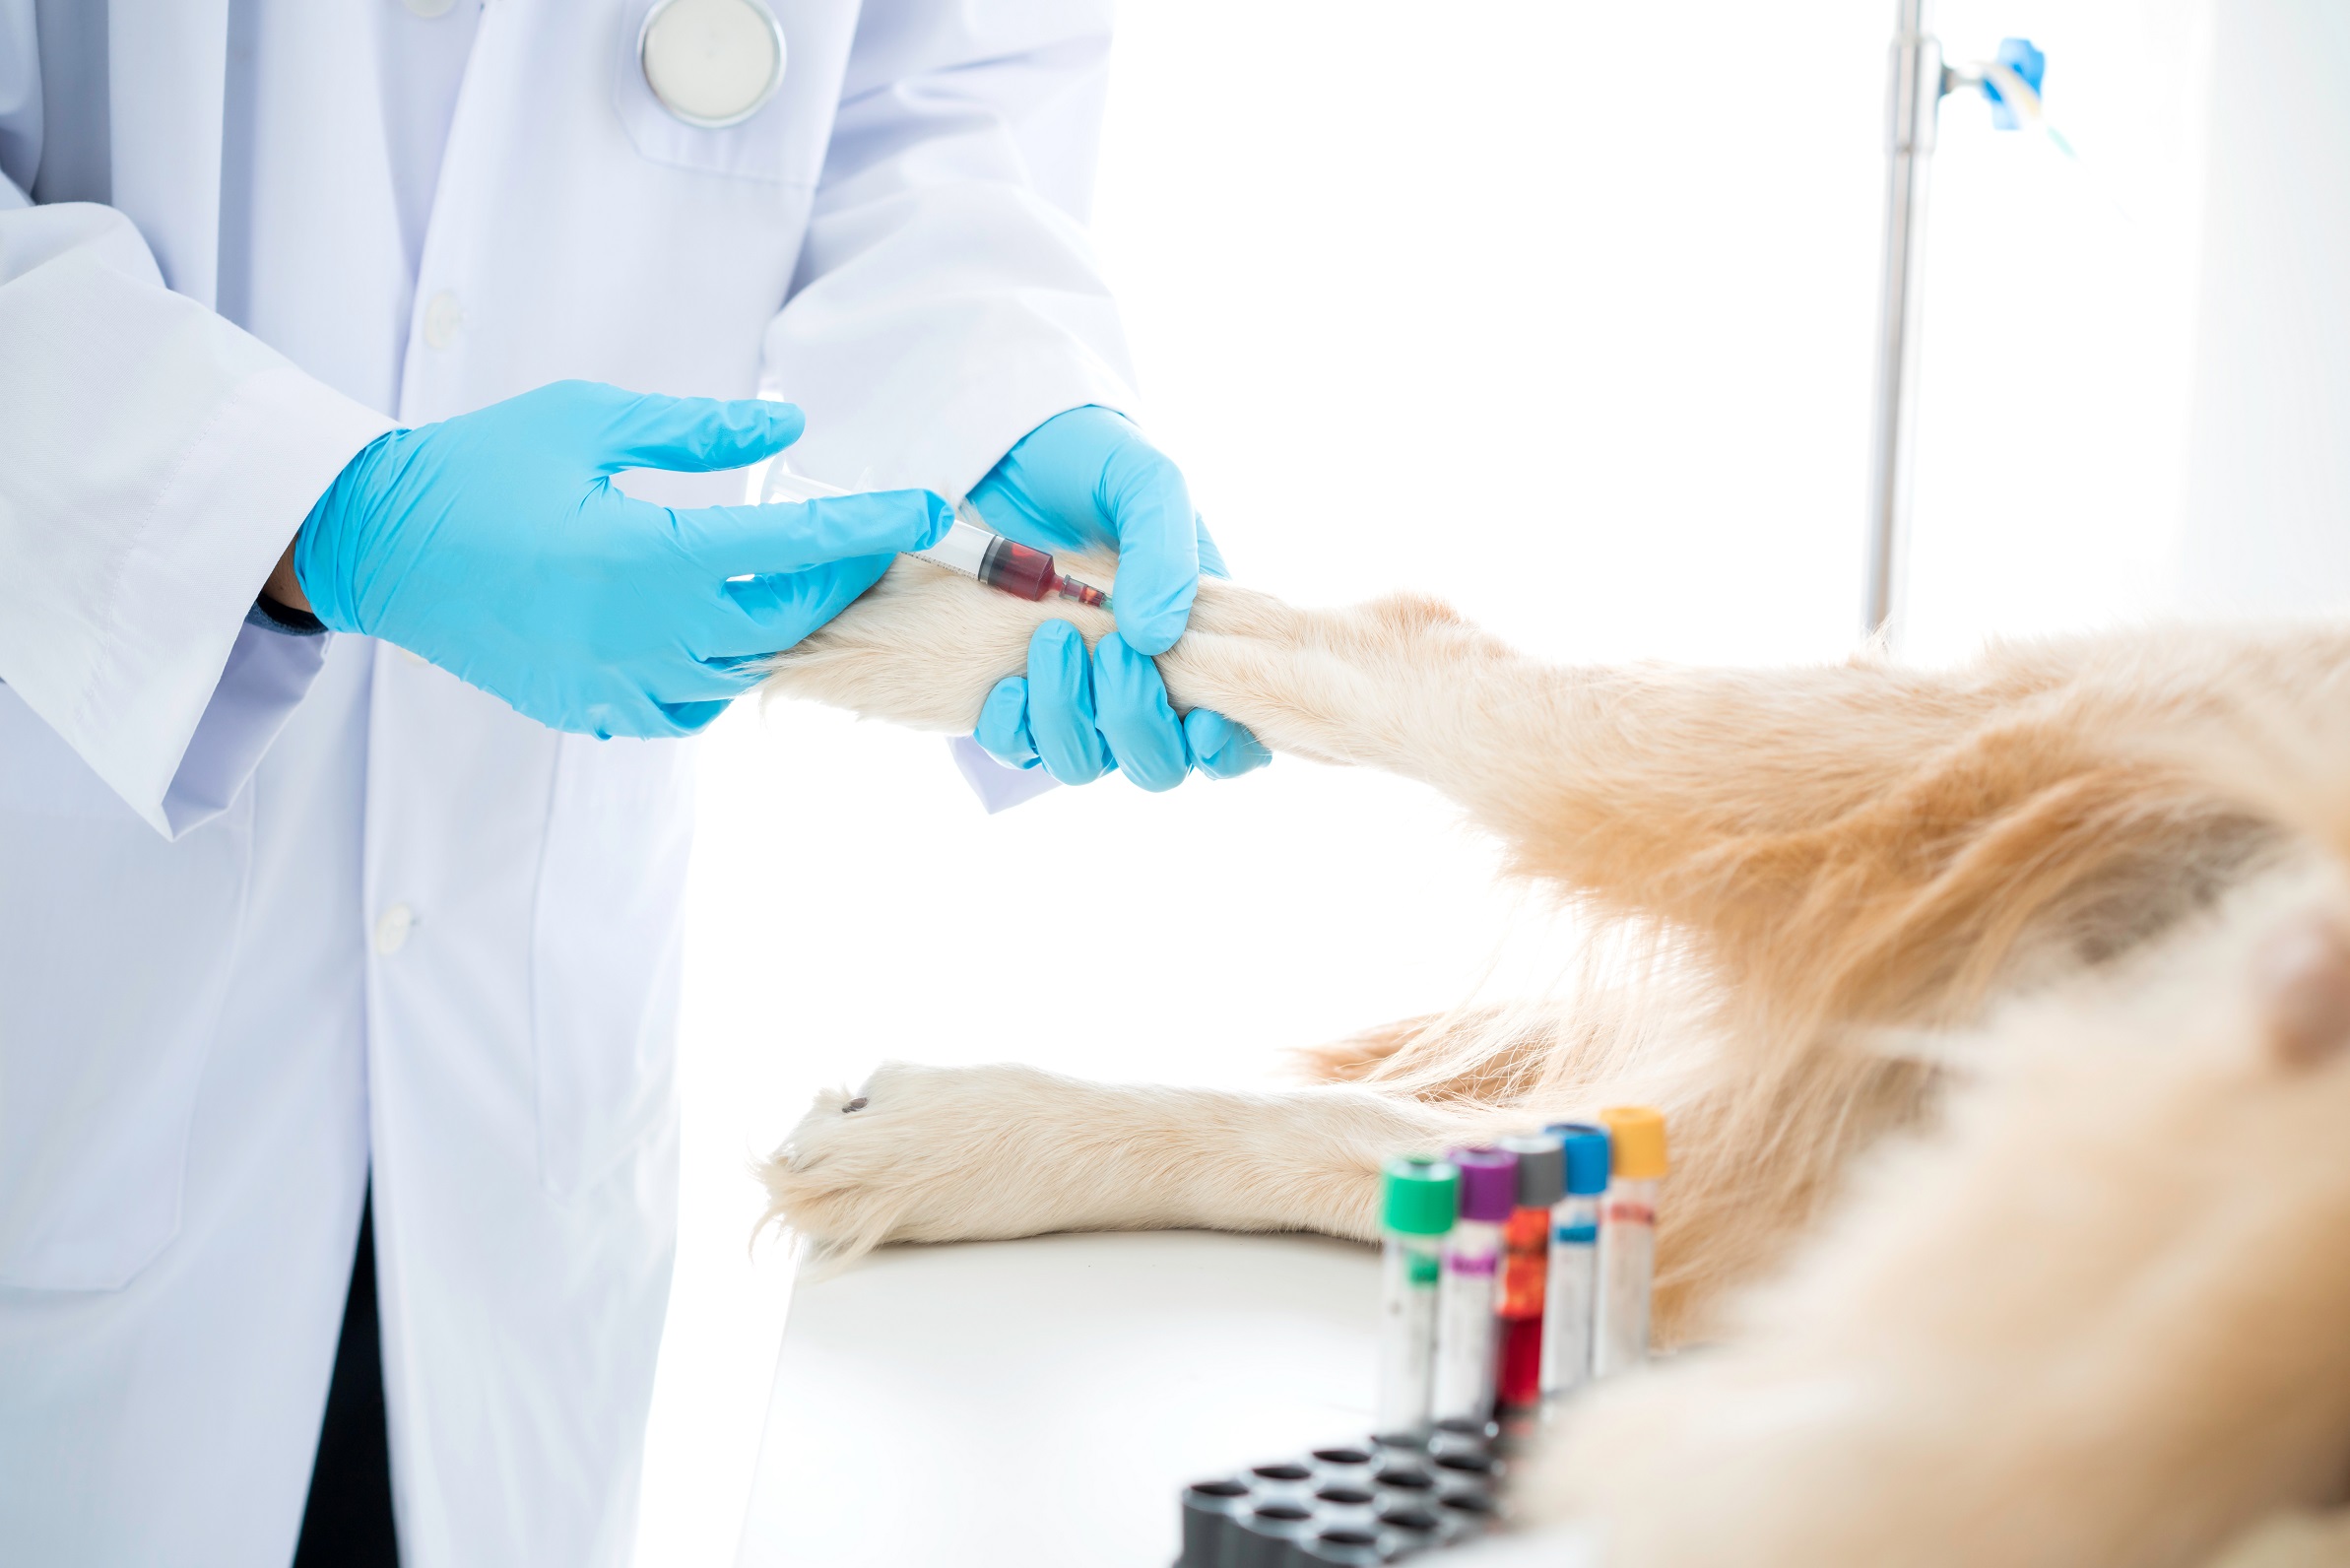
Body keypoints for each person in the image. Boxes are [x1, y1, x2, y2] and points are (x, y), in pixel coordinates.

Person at [0, 3, 1265, 1565]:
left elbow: (922, 98)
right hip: (65, 981)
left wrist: (1001, 402)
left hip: (513, 1069)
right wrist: (299, 508)